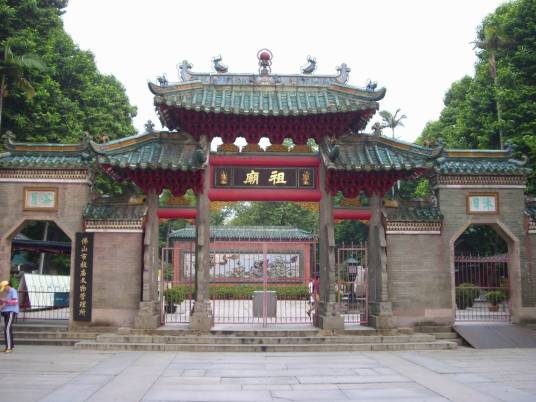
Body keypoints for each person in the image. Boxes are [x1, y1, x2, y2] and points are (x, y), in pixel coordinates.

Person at [0, 280, 19, 352]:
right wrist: (2, 304)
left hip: (11, 312)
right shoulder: (9, 293)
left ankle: (8, 347)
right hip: (7, 312)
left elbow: (15, 302)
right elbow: (6, 303)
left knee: (7, 329)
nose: (4, 290)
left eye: (4, 288)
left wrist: (4, 300)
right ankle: (11, 346)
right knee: (9, 329)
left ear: (7, 286)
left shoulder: (13, 291)